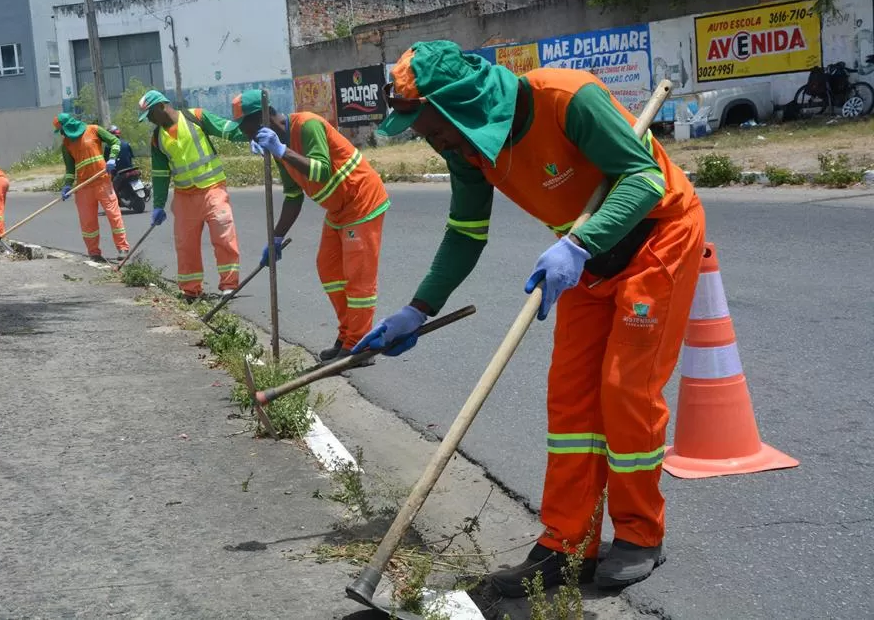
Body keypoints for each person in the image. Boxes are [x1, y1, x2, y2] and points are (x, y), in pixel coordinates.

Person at [354, 41, 705, 593]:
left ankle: (640, 533)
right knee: (570, 399)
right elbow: (466, 233)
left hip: (658, 240)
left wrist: (578, 243)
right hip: (587, 259)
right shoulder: (468, 148)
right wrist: (417, 310)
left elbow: (643, 180)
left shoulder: (567, 99)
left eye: (429, 128)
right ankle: (568, 544)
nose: (430, 141)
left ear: (457, 104)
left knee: (624, 389)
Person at [232, 89, 389, 363]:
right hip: (338, 209)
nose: (247, 136)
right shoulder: (277, 147)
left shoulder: (308, 125)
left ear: (264, 118)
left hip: (361, 200)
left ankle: (360, 346)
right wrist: (276, 237)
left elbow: (321, 170)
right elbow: (293, 195)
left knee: (358, 276)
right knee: (328, 269)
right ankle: (348, 333)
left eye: (247, 129)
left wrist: (282, 150)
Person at [138, 89, 242, 301]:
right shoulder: (157, 138)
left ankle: (229, 285)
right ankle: (190, 289)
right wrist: (158, 204)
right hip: (184, 196)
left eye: (149, 114)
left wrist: (255, 135)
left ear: (161, 106)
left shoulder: (196, 117)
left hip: (213, 188)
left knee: (223, 236)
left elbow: (228, 130)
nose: (149, 120)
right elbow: (160, 174)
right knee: (186, 244)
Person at [53, 113, 130, 262]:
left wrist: (112, 158)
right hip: (83, 186)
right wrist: (67, 185)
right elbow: (70, 170)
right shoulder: (66, 145)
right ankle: (94, 252)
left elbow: (115, 141)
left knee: (114, 216)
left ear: (68, 125)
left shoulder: (94, 130)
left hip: (102, 181)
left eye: (61, 130)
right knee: (88, 222)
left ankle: (122, 247)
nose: (61, 134)